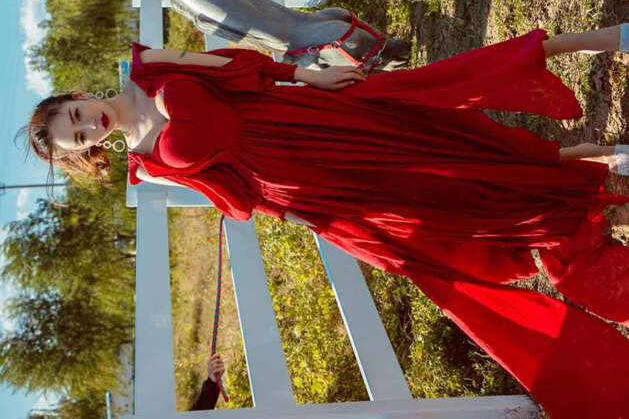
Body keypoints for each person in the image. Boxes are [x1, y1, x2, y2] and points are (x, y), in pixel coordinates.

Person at [23, 23, 629, 419]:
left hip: (310, 119)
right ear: (87, 152)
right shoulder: (148, 169)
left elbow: (235, 66)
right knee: (446, 197)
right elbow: (236, 198)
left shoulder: (147, 67)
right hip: (313, 188)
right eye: (80, 137)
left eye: (76, 114)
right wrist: (318, 217)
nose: (89, 125)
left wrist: (308, 74)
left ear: (76, 96)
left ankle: (594, 41)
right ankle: (596, 165)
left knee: (440, 122)